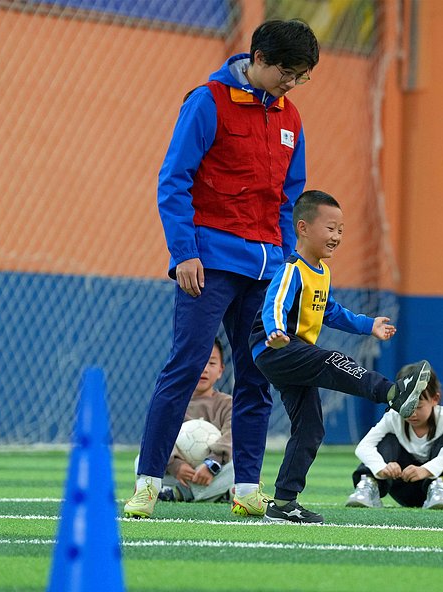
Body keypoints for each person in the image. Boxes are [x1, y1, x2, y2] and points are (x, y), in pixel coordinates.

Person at [124, 19, 321, 519]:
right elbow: (174, 180)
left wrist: (285, 263)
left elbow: (289, 198)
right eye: (286, 71)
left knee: (257, 375)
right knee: (186, 367)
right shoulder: (207, 102)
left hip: (266, 269)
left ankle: (247, 489)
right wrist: (183, 252)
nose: (291, 83)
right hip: (207, 263)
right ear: (257, 57)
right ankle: (148, 483)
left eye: (301, 76)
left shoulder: (291, 117)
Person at [248, 189, 433, 524]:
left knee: (310, 428)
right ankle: (393, 393)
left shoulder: (323, 273)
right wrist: (275, 330)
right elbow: (273, 303)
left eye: (341, 231)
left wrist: (368, 325)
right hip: (276, 347)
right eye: (330, 228)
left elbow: (331, 311)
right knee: (329, 359)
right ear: (303, 228)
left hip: (295, 354)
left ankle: (284, 502)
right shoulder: (293, 269)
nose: (336, 237)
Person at [345, 364, 443, 510]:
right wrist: (381, 468)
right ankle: (368, 487)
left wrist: (426, 470)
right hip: (404, 486)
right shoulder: (393, 418)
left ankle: (440, 487)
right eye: (405, 406)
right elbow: (363, 447)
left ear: (435, 399)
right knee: (388, 440)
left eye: (418, 407)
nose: (411, 413)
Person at [158, 339, 235, 503]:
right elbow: (160, 435)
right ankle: (218, 495)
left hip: (215, 472)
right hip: (178, 474)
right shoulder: (172, 402)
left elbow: (231, 436)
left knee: (241, 467)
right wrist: (175, 465)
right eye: (199, 361)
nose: (204, 369)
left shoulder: (227, 403)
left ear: (221, 370)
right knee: (141, 460)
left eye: (211, 363)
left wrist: (212, 464)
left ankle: (179, 494)